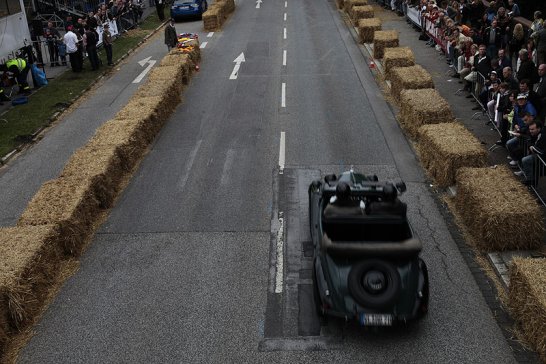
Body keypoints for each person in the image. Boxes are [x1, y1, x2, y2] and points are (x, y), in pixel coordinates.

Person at [514, 121, 546, 186]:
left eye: (532, 129)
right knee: (519, 153)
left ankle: (531, 181)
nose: (530, 131)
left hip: (543, 158)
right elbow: (529, 140)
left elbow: (542, 151)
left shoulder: (543, 136)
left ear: (538, 128)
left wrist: (533, 148)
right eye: (530, 129)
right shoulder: (533, 133)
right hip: (537, 155)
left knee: (526, 160)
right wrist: (531, 146)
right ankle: (530, 180)